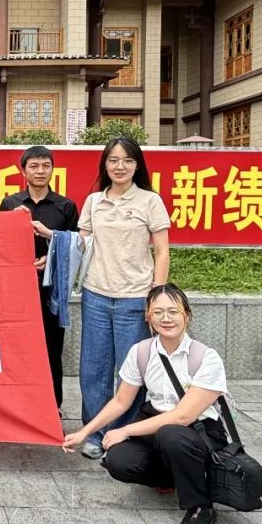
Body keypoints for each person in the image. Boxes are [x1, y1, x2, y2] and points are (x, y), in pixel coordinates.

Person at [63, 284, 229, 524]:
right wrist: (85, 432)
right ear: (148, 317)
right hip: (158, 424)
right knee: (118, 460)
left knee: (172, 434)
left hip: (198, 431)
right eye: (158, 312)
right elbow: (121, 401)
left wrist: (125, 430)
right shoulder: (141, 351)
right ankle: (169, 477)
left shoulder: (206, 358)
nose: (166, 318)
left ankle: (201, 506)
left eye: (173, 311)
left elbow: (183, 417)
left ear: (187, 315)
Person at [75, 136, 170, 460]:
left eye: (127, 160)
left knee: (130, 373)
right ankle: (94, 434)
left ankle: (121, 435)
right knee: (93, 371)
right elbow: (81, 246)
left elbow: (162, 251)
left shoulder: (149, 201)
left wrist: (156, 296)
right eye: (113, 160)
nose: (120, 166)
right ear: (104, 165)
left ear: (137, 165)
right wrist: (52, 241)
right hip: (96, 296)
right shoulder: (94, 202)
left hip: (135, 298)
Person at [0, 145, 78, 411]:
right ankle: (18, 405)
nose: (40, 171)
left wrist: (50, 259)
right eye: (34, 166)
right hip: (18, 291)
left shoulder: (66, 206)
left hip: (51, 291)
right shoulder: (10, 204)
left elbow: (76, 247)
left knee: (52, 350)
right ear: (23, 171)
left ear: (53, 169)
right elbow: (0, 245)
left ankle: (52, 407)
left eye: (46, 165)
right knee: (17, 349)